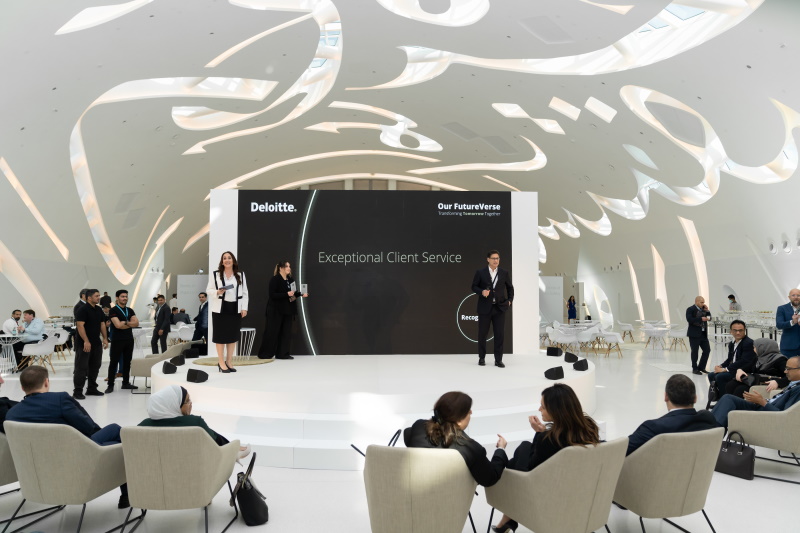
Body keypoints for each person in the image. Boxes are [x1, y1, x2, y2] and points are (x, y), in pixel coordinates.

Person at [5, 366, 129, 508]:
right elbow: (87, 427)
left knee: (113, 434)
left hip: (37, 471)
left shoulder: (11, 415)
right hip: (73, 462)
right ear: (46, 382)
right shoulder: (59, 399)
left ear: (22, 388)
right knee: (116, 431)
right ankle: (127, 495)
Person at [491, 383, 600, 533]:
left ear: (556, 410)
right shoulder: (589, 428)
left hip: (547, 492)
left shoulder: (549, 440)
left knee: (523, 449)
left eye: (543, 406)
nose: (539, 409)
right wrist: (542, 432)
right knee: (525, 447)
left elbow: (531, 469)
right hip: (581, 489)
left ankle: (509, 517)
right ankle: (508, 518)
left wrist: (538, 434)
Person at [404, 391, 508, 486]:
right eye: (468, 411)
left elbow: (407, 435)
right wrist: (501, 449)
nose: (471, 412)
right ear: (458, 420)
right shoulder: (471, 449)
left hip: (410, 495)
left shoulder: (419, 426)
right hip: (449, 499)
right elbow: (490, 478)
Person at [138, 385, 250, 457]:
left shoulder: (141, 427)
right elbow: (215, 442)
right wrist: (232, 447)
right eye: (187, 401)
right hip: (194, 476)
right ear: (174, 405)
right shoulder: (195, 423)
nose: (190, 403)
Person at [626, 374, 718, 455]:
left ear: (666, 397)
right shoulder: (708, 419)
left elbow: (621, 451)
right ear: (695, 398)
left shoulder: (653, 428)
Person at [712, 356, 800, 428]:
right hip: (765, 406)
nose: (785, 371)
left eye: (788, 369)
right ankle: (712, 429)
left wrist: (762, 402)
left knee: (728, 402)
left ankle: (713, 433)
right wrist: (761, 400)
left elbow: (785, 416)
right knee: (727, 399)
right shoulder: (794, 383)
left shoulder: (798, 389)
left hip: (767, 414)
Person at [207, 251, 249, 372]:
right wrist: (217, 292)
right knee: (220, 336)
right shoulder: (215, 274)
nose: (227, 260)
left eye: (229, 258)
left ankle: (229, 361)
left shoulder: (240, 275)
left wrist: (244, 308)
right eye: (224, 258)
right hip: (220, 309)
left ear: (233, 260)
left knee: (232, 336)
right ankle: (221, 362)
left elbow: (245, 292)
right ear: (222, 262)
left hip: (235, 309)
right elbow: (209, 290)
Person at [471, 250, 514, 368]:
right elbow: (474, 286)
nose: (496, 260)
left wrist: (510, 300)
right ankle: (481, 358)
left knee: (499, 335)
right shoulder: (481, 272)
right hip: (485, 308)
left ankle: (498, 360)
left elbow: (510, 288)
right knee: (482, 334)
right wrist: (482, 292)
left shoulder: (504, 272)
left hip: (499, 308)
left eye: (497, 258)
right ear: (488, 259)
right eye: (493, 258)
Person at [258, 260, 308, 360]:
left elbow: (292, 295)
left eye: (289, 266)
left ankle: (283, 353)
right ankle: (265, 353)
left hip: (287, 310)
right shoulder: (275, 279)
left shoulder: (290, 280)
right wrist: (286, 294)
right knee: (272, 332)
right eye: (286, 266)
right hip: (275, 310)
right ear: (281, 268)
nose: (289, 268)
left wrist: (300, 294)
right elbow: (272, 295)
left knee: (286, 332)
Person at [73, 289, 108, 399]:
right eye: (96, 296)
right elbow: (80, 326)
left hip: (96, 343)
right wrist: (86, 341)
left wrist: (105, 338)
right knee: (81, 368)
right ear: (89, 298)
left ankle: (91, 388)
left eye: (99, 295)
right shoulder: (82, 309)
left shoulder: (98, 309)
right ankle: (77, 391)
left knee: (95, 366)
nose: (99, 298)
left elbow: (102, 324)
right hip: (84, 344)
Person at [707, 320, 755, 401]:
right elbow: (730, 359)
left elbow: (743, 361)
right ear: (731, 331)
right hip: (734, 369)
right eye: (735, 330)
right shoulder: (732, 343)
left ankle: (725, 400)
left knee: (720, 376)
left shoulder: (748, 343)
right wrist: (720, 366)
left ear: (744, 330)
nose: (738, 333)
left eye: (740, 330)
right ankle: (718, 397)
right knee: (711, 375)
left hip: (743, 370)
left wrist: (724, 369)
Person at [106, 289, 139, 393]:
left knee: (127, 362)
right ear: (117, 298)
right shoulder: (113, 310)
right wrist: (129, 323)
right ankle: (110, 385)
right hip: (117, 340)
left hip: (129, 339)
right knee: (114, 362)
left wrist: (124, 322)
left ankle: (125, 383)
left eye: (126, 296)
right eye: (122, 296)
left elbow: (136, 323)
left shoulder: (130, 310)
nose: (125, 298)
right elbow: (117, 325)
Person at [686, 296, 712, 375]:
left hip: (703, 334)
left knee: (707, 350)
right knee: (695, 351)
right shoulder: (690, 309)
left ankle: (701, 367)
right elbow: (689, 319)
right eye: (701, 302)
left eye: (703, 302)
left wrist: (707, 311)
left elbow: (709, 318)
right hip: (694, 334)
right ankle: (694, 368)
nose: (703, 304)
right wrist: (700, 319)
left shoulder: (703, 309)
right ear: (696, 301)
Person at [776, 289, 800, 356]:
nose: (796, 297)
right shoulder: (782, 308)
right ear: (789, 297)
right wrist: (793, 322)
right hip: (788, 347)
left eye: (798, 295)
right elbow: (779, 325)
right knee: (787, 363)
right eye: (793, 295)